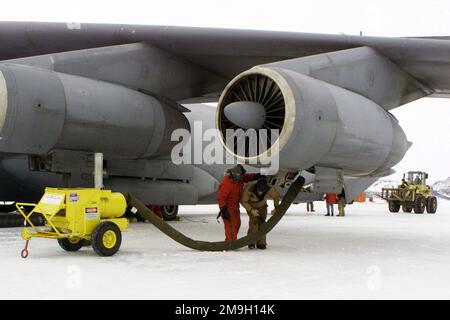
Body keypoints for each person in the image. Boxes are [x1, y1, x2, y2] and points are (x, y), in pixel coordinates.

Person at [217, 164, 261, 241]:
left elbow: (247, 177)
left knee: (237, 224)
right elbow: (221, 198)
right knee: (231, 225)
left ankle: (232, 241)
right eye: (241, 176)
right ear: (236, 176)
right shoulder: (226, 184)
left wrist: (256, 176)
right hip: (227, 208)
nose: (242, 178)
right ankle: (230, 243)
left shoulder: (238, 179)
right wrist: (223, 210)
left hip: (235, 206)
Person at [241, 178, 280, 249]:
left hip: (262, 207)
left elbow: (276, 196)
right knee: (254, 223)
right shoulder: (249, 189)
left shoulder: (269, 188)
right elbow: (243, 201)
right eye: (259, 190)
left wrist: (276, 207)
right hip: (251, 206)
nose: (260, 192)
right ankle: (251, 242)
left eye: (262, 191)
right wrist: (251, 210)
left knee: (262, 223)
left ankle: (261, 243)